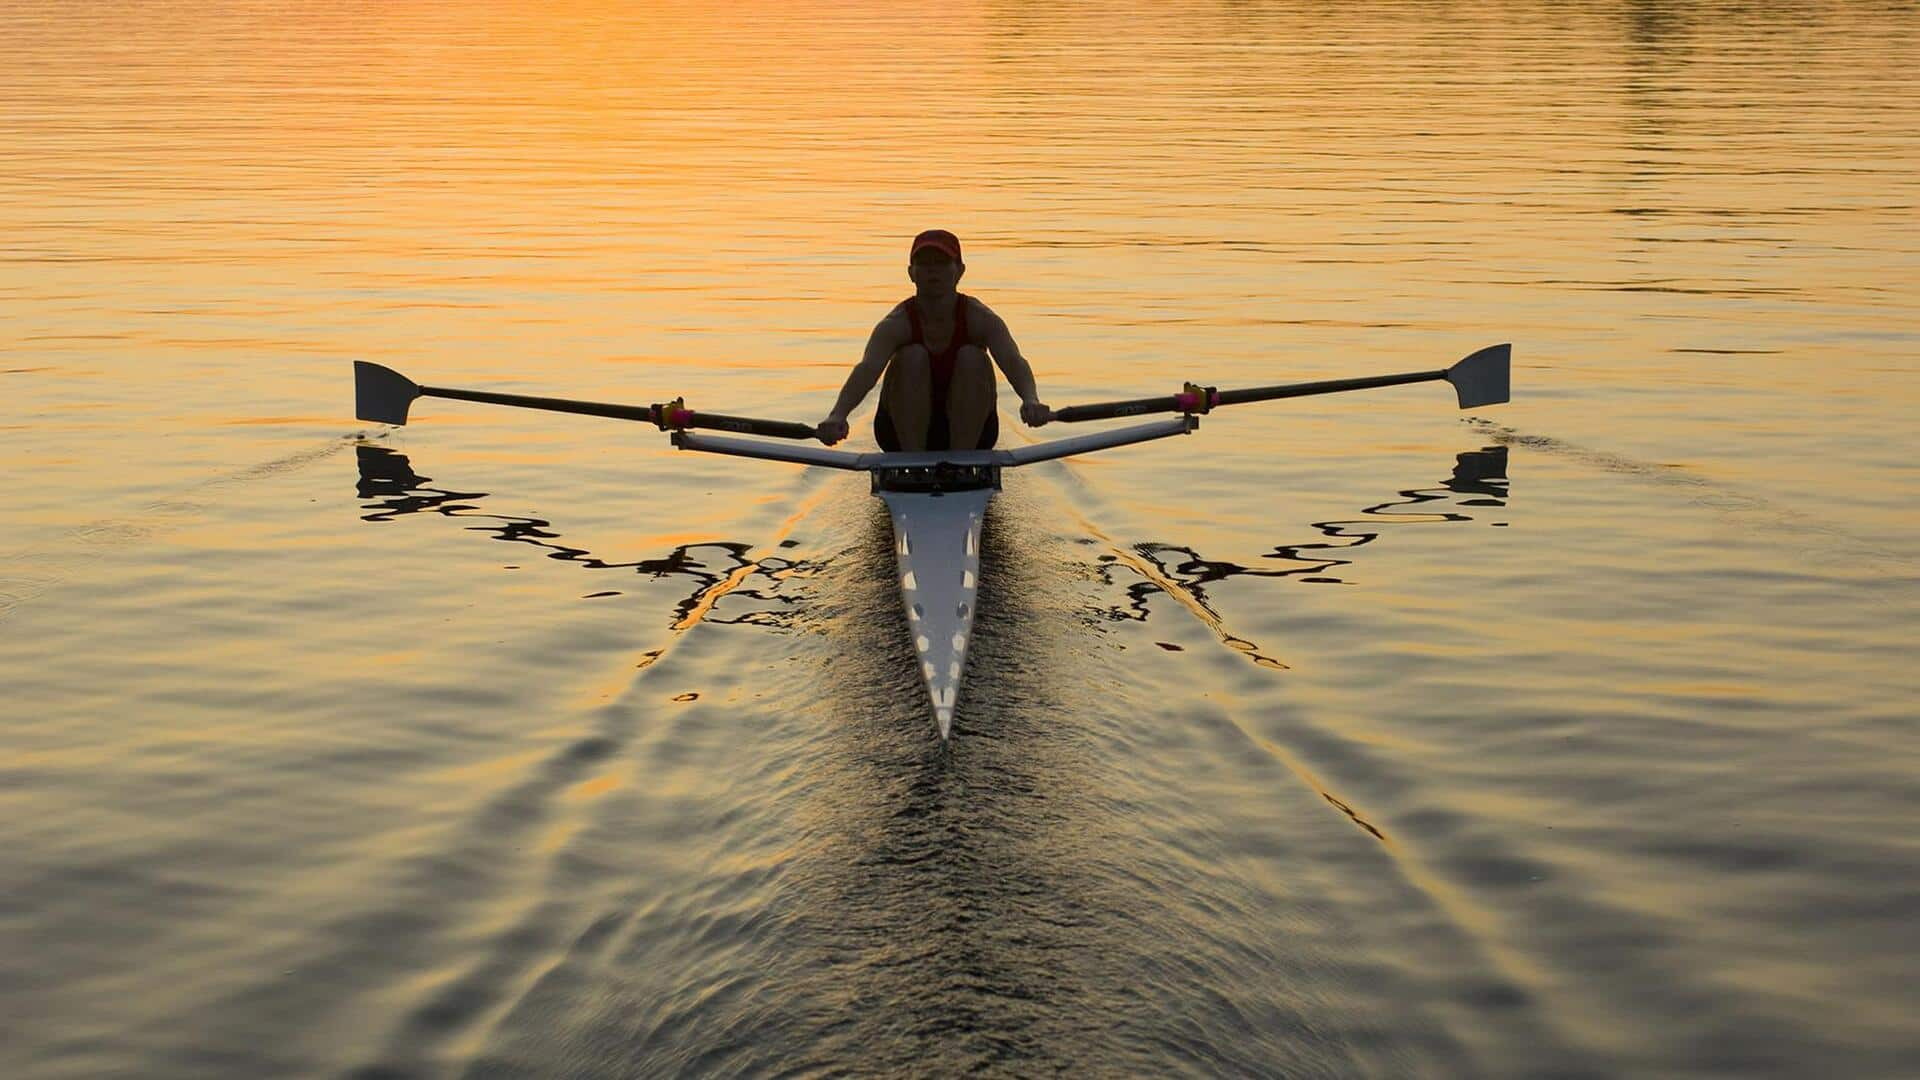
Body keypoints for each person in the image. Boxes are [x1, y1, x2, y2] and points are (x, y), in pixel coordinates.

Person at [816, 230, 1051, 449]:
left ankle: (963, 463)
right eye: (924, 264)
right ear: (911, 273)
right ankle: (913, 463)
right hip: (900, 434)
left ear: (960, 271)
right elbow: (867, 370)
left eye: (941, 263)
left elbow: (1013, 361)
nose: (932, 270)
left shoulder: (980, 319)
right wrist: (838, 415)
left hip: (972, 432)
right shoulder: (896, 324)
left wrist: (1031, 400)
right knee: (912, 356)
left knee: (972, 357)